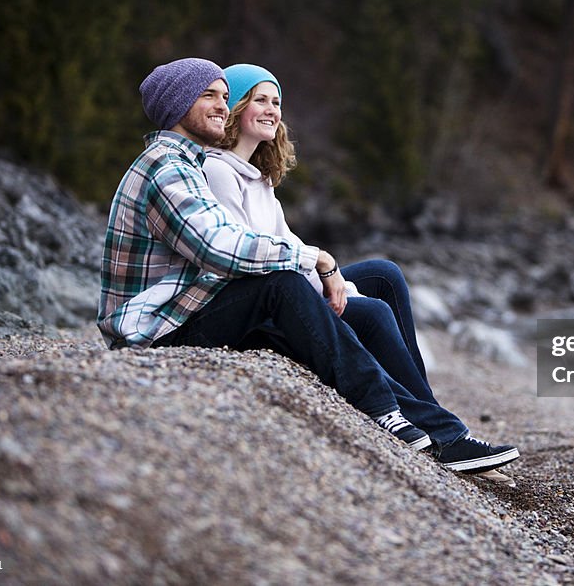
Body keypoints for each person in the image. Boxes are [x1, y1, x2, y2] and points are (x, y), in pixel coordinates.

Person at [97, 57, 518, 474]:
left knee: (375, 279)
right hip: (156, 329)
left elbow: (267, 246)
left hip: (189, 308)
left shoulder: (193, 166)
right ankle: (397, 414)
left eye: (225, 96)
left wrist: (329, 276)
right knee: (294, 288)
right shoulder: (172, 169)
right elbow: (222, 250)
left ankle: (433, 423)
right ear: (178, 104)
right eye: (211, 95)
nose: (222, 106)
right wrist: (317, 262)